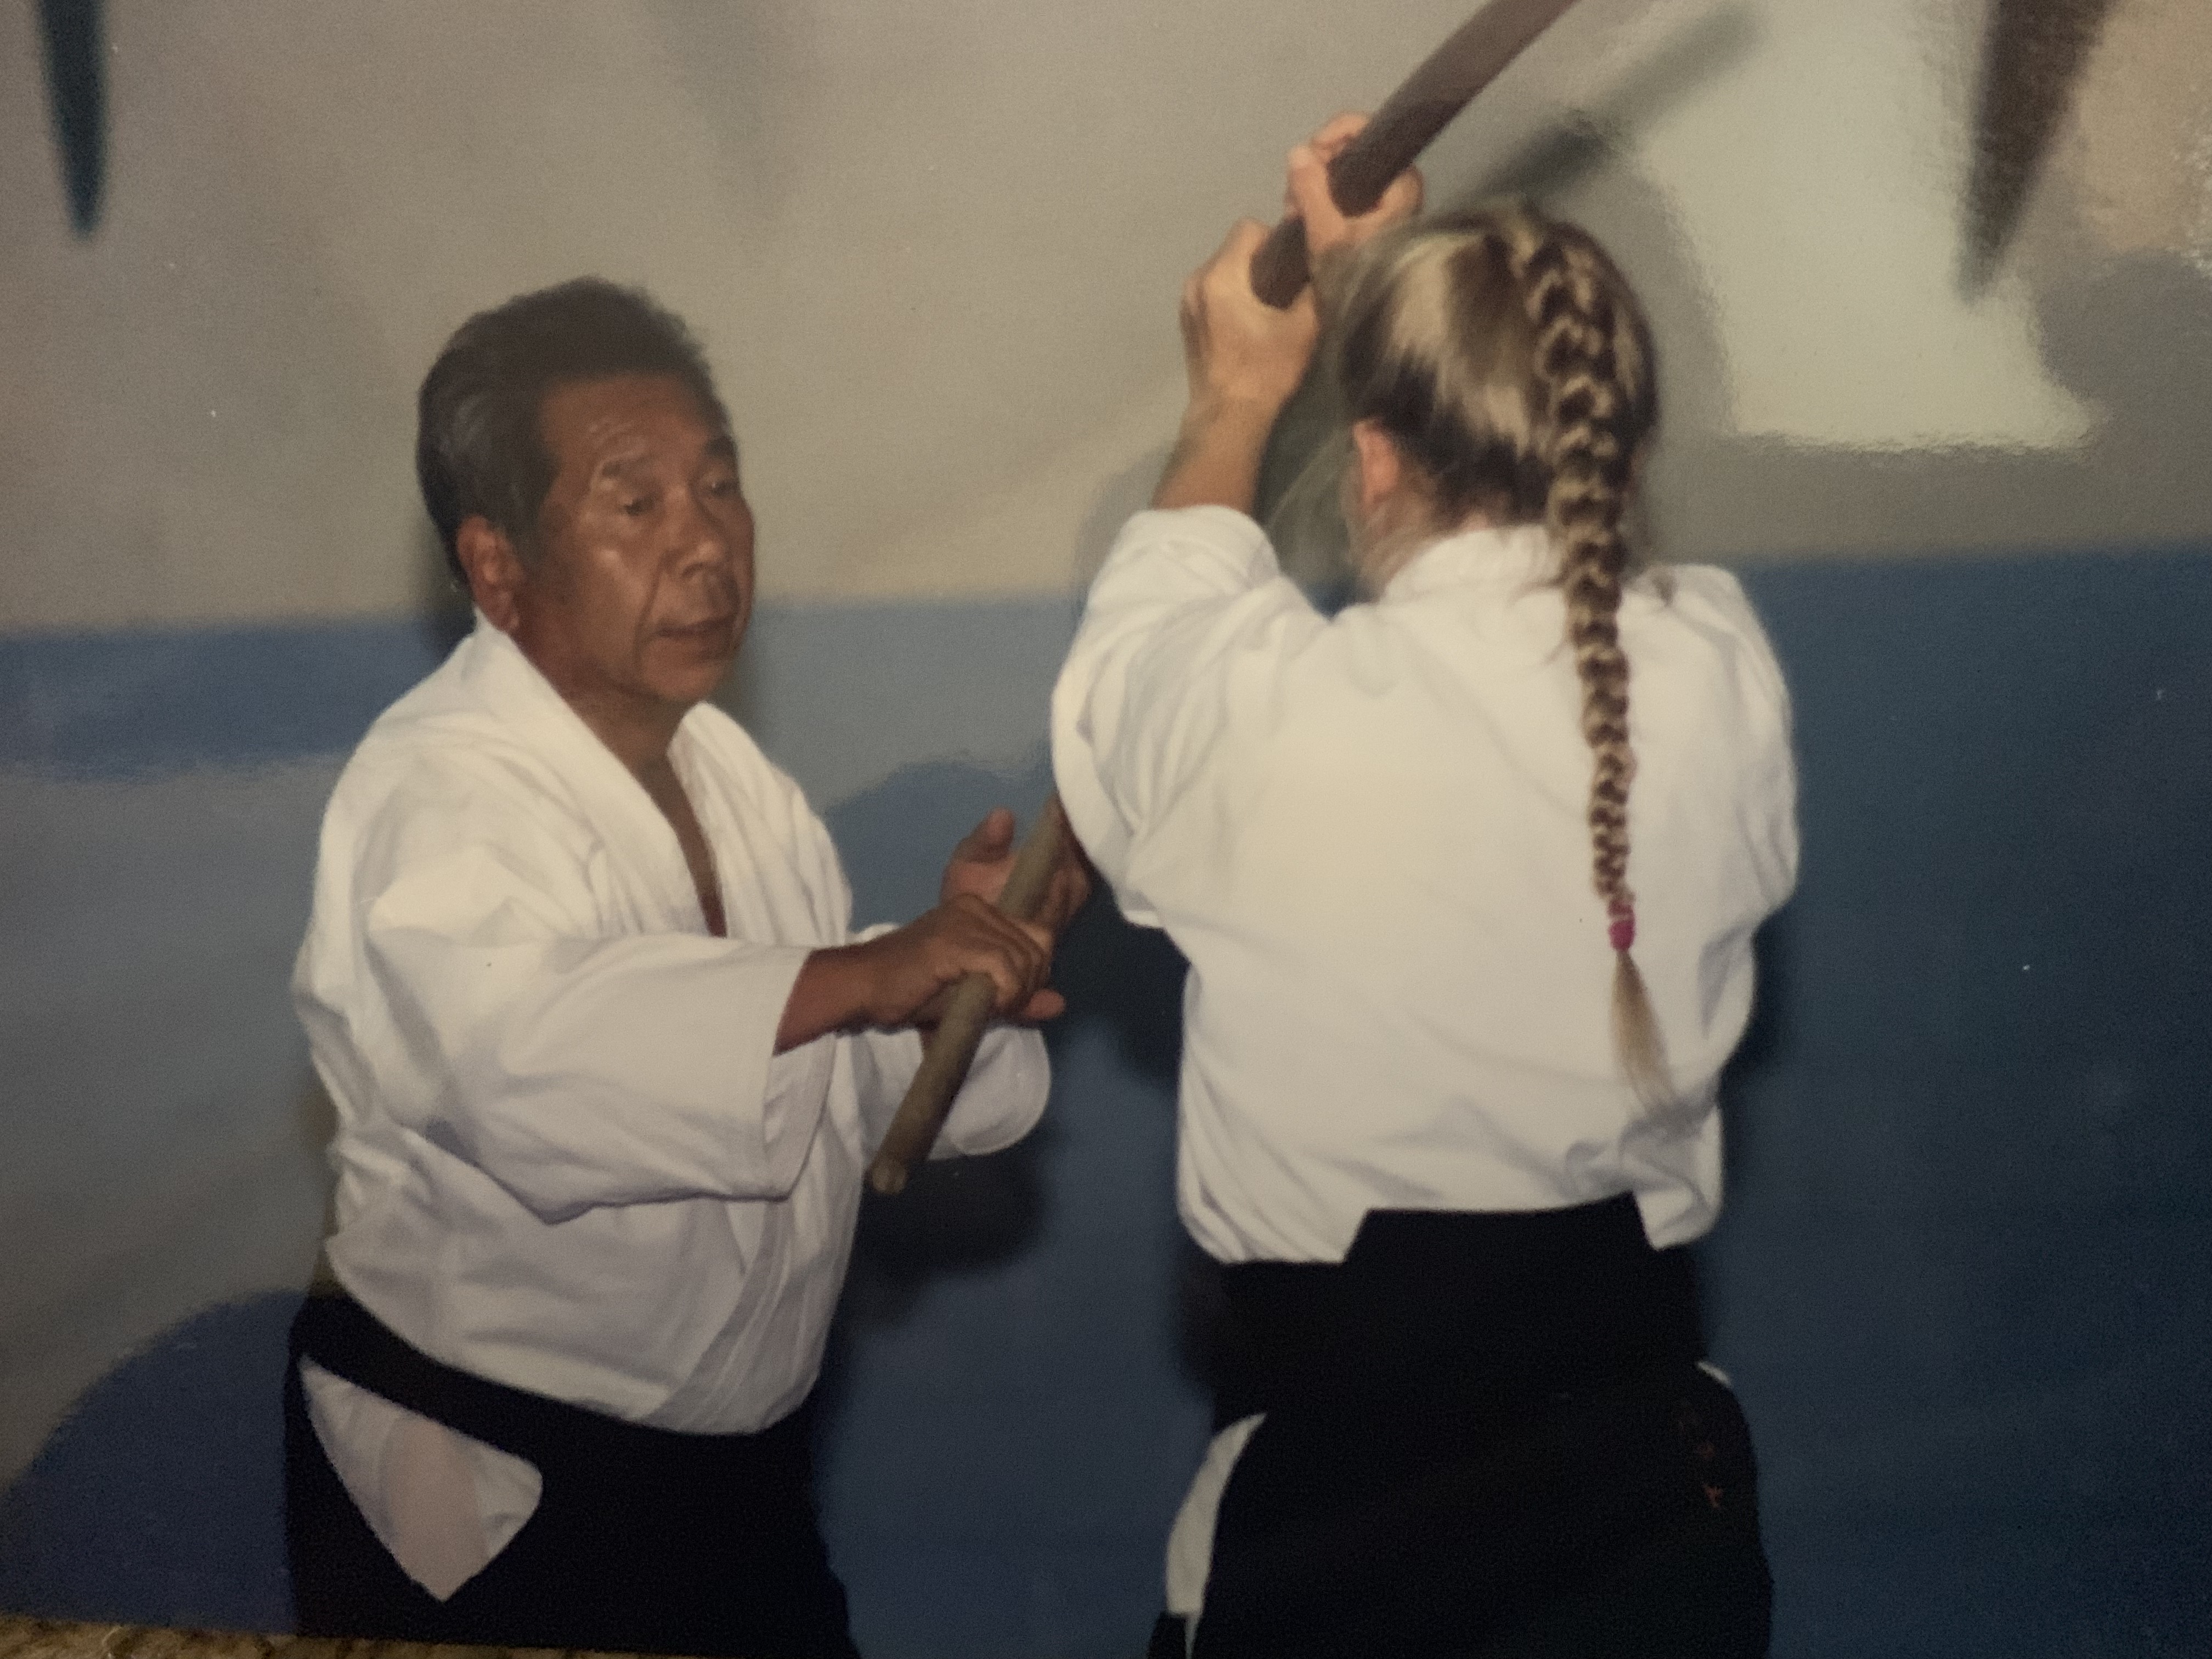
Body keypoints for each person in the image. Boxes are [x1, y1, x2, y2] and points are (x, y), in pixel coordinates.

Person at [1052, 117, 1798, 1657]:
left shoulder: (1272, 717)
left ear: (1376, 456)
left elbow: (1140, 670)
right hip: (1651, 1510)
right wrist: (1387, 293)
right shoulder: (1720, 676)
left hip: (1357, 1523)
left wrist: (1237, 394)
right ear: (1614, 448)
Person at [285, 278, 1087, 1658]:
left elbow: (807, 1099)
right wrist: (864, 973)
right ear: (497, 567)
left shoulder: (734, 783)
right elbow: (528, 1065)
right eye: (637, 503)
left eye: (721, 487)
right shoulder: (435, 791)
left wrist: (953, 983)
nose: (707, 543)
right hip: (496, 1488)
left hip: (731, 1488)